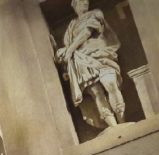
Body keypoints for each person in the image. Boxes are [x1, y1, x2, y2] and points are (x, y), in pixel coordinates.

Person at [52, 0, 126, 129]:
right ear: (74, 4)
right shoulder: (72, 25)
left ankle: (124, 123)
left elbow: (86, 33)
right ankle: (115, 128)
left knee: (110, 84)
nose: (85, 2)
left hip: (99, 54)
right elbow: (68, 44)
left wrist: (69, 50)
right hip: (81, 60)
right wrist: (65, 59)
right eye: (81, 1)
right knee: (96, 93)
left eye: (86, 0)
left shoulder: (95, 13)